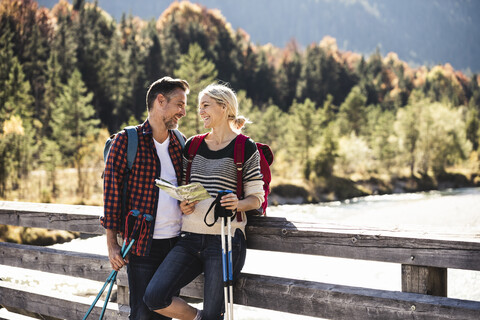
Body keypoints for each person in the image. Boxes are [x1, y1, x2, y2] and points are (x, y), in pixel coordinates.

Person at [143, 83, 265, 320]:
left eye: (205, 106)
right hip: (189, 238)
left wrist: (237, 203)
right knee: (154, 296)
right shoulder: (193, 145)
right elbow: (187, 187)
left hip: (225, 241)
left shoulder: (244, 147)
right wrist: (184, 203)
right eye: (199, 107)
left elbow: (256, 199)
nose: (199, 112)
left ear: (224, 107)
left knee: (214, 313)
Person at [102, 76, 190, 320]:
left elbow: (183, 190)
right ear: (160, 101)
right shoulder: (126, 141)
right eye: (179, 104)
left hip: (177, 246)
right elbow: (111, 194)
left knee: (164, 312)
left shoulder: (180, 143)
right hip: (141, 247)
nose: (183, 112)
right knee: (142, 314)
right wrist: (112, 243)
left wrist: (186, 202)